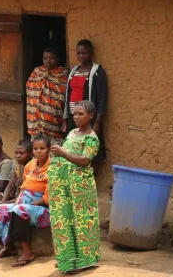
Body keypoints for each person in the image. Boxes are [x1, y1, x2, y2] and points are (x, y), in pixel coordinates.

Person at [49, 100, 101, 273]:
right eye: (75, 114)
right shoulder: (72, 132)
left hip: (80, 188)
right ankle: (67, 259)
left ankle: (84, 261)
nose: (76, 117)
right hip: (64, 187)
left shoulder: (92, 138)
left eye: (81, 114)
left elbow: (85, 161)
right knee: (65, 221)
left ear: (91, 116)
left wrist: (62, 153)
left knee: (81, 222)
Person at [0, 134, 51, 267]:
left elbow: (48, 197)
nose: (38, 151)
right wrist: (17, 202)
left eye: (42, 148)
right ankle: (9, 246)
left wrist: (26, 204)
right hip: (25, 203)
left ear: (49, 149)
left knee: (19, 210)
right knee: (0, 209)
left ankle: (28, 253)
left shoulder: (53, 168)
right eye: (36, 148)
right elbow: (23, 188)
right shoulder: (30, 165)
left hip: (43, 209)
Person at [62, 39, 107, 175]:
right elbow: (67, 94)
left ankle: (90, 181)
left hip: (89, 117)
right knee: (72, 146)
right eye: (79, 53)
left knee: (93, 150)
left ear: (91, 53)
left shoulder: (97, 72)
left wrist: (98, 121)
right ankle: (74, 178)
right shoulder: (74, 71)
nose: (82, 56)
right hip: (72, 115)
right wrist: (65, 118)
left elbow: (102, 98)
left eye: (85, 53)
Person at [26, 47, 68, 146]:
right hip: (36, 119)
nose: (48, 61)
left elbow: (63, 94)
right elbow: (30, 89)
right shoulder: (37, 72)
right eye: (45, 58)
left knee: (54, 148)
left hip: (54, 118)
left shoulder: (63, 74)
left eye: (52, 58)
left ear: (57, 59)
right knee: (38, 147)